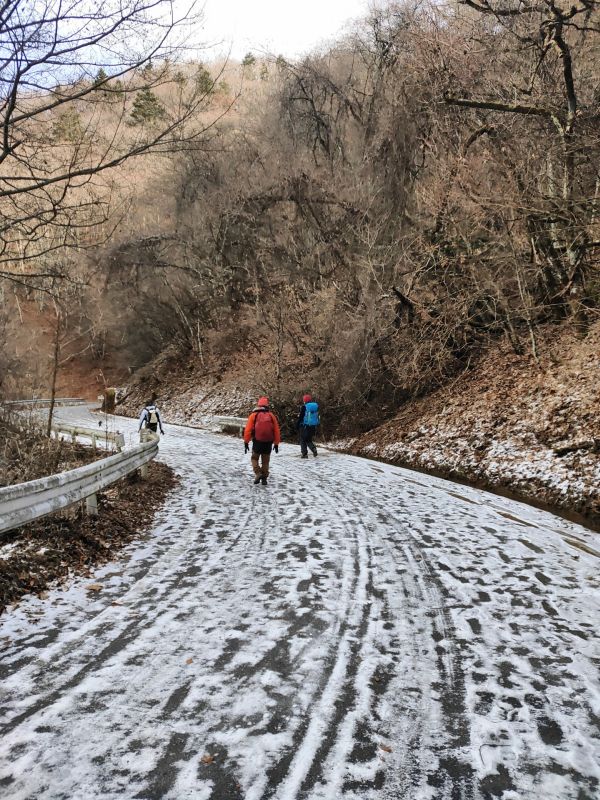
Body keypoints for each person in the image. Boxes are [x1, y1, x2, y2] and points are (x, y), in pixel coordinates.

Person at [243, 396, 281, 485]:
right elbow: (276, 430)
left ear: (258, 405)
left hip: (257, 441)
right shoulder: (271, 415)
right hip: (268, 442)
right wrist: (276, 443)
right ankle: (264, 478)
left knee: (254, 458)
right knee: (265, 461)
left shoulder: (253, 415)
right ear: (267, 405)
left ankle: (258, 473)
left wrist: (246, 442)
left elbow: (248, 430)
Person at [297, 393, 319, 458]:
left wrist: (297, 425)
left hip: (305, 426)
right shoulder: (315, 407)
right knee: (308, 439)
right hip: (313, 426)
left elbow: (301, 417)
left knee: (303, 439)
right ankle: (313, 449)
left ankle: (304, 454)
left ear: (305, 400)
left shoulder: (304, 407)